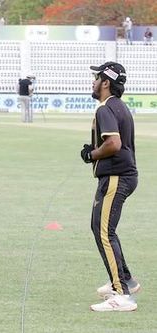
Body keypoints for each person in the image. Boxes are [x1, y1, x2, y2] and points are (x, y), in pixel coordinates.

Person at [80, 61, 140, 312]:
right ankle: (125, 279)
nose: (93, 81)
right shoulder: (118, 106)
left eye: (97, 77)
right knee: (101, 228)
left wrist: (92, 154)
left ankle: (122, 294)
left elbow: (113, 144)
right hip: (121, 175)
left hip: (116, 176)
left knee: (104, 232)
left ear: (106, 82)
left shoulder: (105, 108)